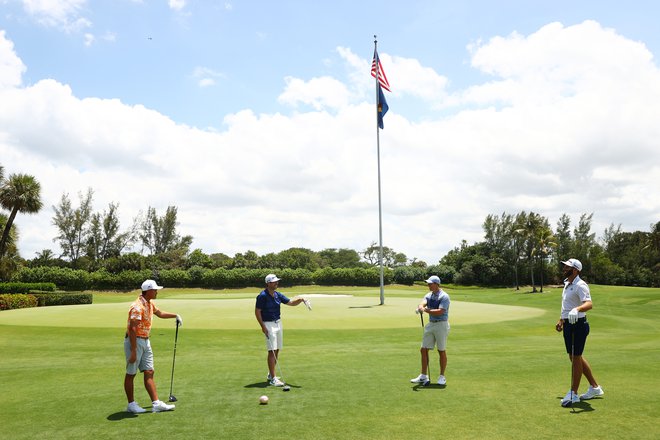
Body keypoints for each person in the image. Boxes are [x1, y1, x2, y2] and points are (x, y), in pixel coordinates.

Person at [124, 279, 183, 413]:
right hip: (134, 341)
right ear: (148, 291)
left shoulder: (150, 304)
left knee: (149, 371)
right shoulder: (137, 306)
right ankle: (131, 404)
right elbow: (132, 329)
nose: (157, 292)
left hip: (145, 340)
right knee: (131, 373)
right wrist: (133, 351)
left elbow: (160, 313)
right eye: (155, 290)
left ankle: (156, 403)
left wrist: (175, 315)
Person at [556, 258, 604, 406]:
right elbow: (567, 305)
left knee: (576, 357)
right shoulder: (567, 283)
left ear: (575, 270)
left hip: (579, 325)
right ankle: (595, 387)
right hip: (568, 324)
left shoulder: (580, 285)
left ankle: (574, 393)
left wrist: (577, 309)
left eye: (568, 267)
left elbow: (588, 304)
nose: (564, 268)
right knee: (574, 357)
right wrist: (561, 320)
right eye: (564, 266)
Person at [254, 274, 308, 386]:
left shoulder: (278, 295)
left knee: (277, 349)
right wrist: (263, 327)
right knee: (271, 351)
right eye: (274, 282)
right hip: (268, 324)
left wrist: (301, 299)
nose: (276, 283)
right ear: (268, 283)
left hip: (278, 323)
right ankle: (273, 379)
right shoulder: (262, 296)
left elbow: (291, 303)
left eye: (277, 281)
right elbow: (257, 311)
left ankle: (270, 374)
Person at [410, 275, 450, 386]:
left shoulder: (444, 296)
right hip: (431, 324)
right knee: (423, 349)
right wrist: (420, 307)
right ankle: (423, 375)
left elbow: (440, 311)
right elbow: (423, 302)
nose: (428, 285)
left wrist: (426, 310)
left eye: (430, 283)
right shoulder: (429, 295)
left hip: (441, 324)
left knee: (441, 350)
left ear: (436, 284)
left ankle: (442, 376)